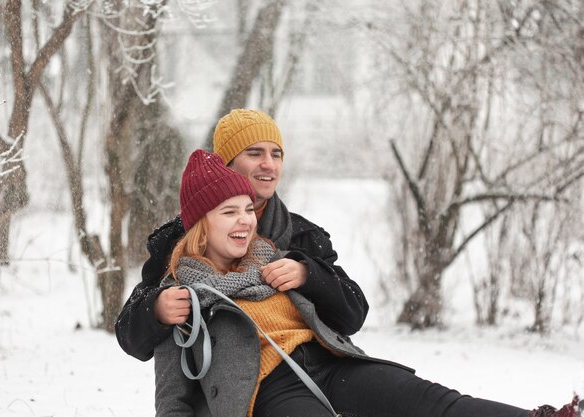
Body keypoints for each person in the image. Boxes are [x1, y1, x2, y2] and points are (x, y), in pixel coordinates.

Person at [153, 148, 580, 417]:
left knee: (427, 400)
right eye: (229, 212)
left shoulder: (275, 259)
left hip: (331, 362)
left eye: (247, 209)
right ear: (201, 227)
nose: (246, 219)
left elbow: (351, 309)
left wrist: (308, 273)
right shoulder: (183, 296)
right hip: (266, 388)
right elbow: (172, 396)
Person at [116, 109, 367, 362]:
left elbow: (353, 314)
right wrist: (156, 310)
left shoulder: (304, 237)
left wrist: (308, 275)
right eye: (255, 153)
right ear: (226, 163)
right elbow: (128, 334)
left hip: (313, 371)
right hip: (226, 384)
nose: (269, 164)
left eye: (276, 154)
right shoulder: (182, 237)